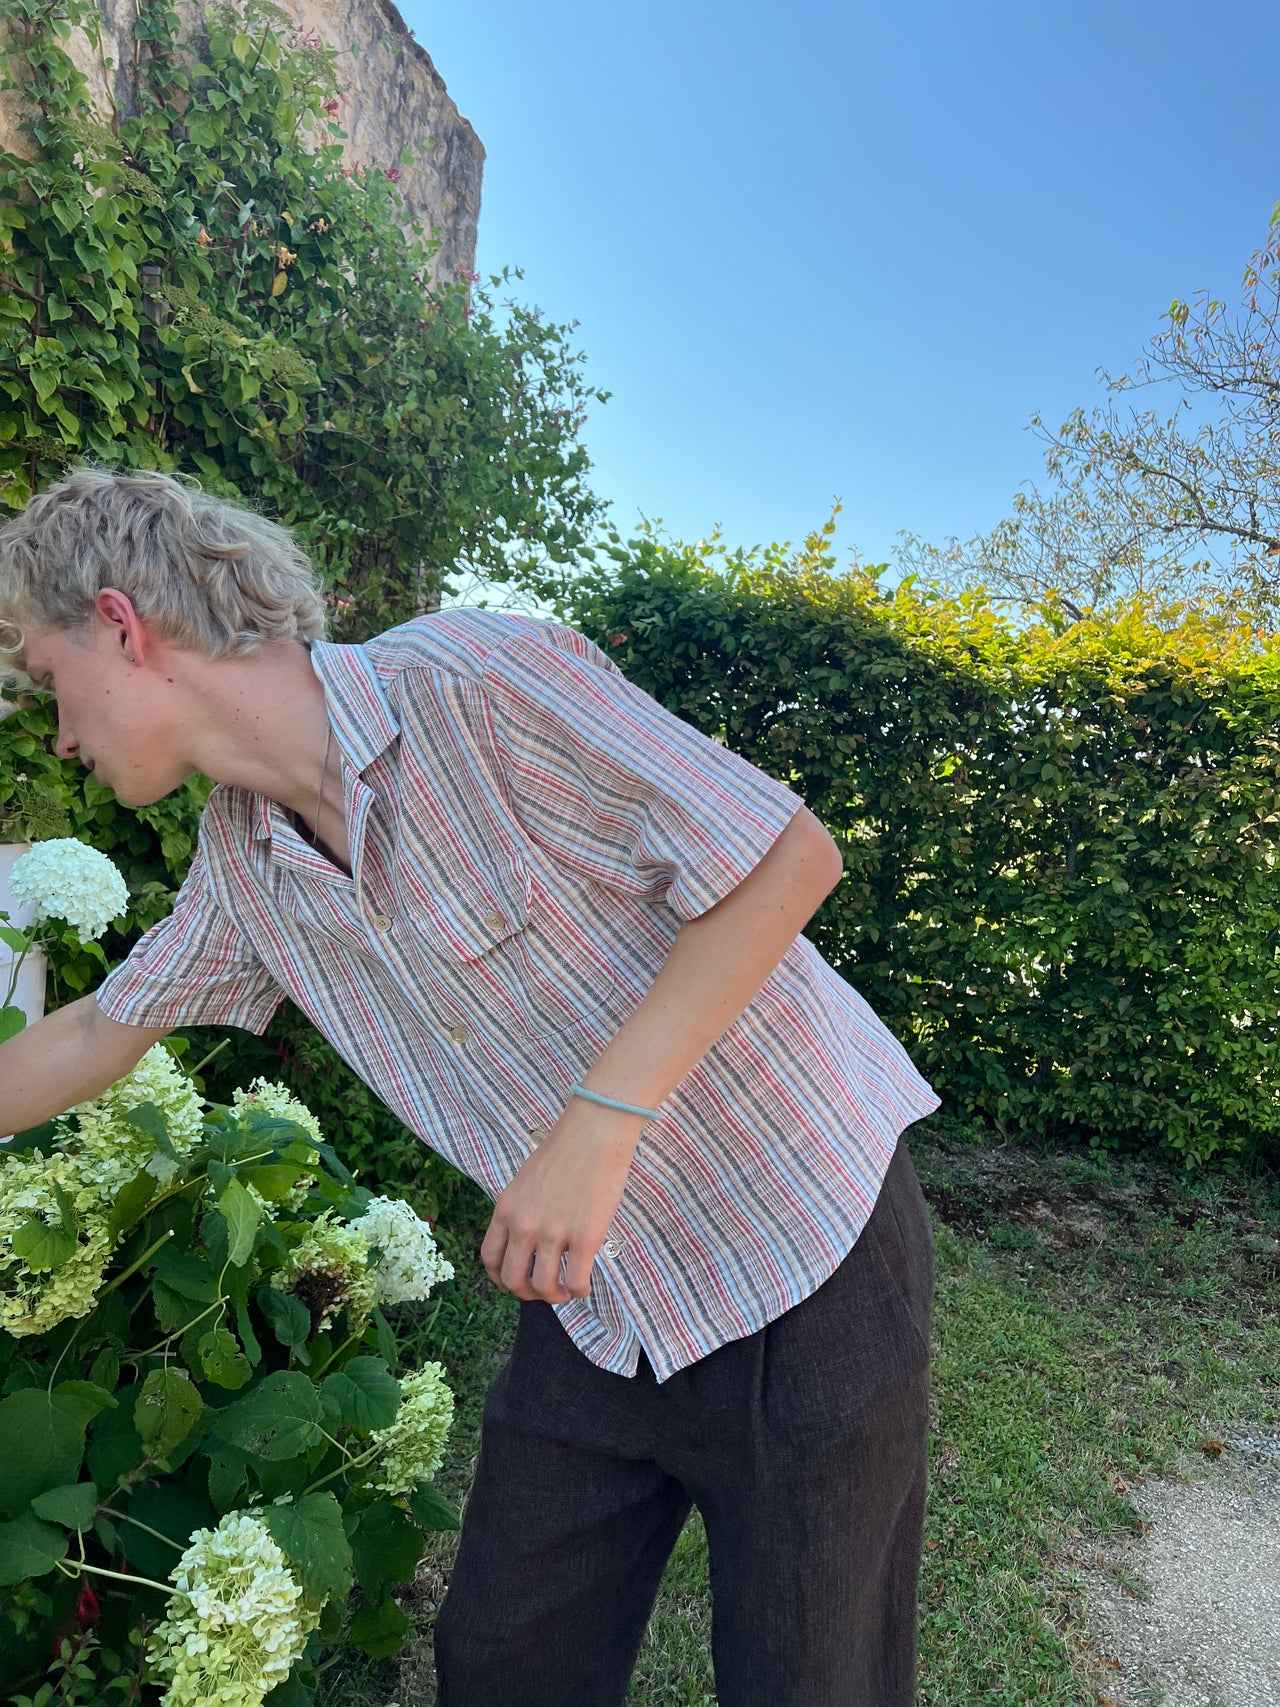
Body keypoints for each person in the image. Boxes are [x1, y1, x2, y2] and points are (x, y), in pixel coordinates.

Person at [0, 467, 940, 1707]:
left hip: (802, 1242)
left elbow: (782, 854)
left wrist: (597, 1125)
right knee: (505, 1661)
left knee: (811, 1679)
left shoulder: (473, 684)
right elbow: (89, 1037)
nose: (53, 728)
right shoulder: (243, 866)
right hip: (597, 1304)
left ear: (120, 626)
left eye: (44, 677)